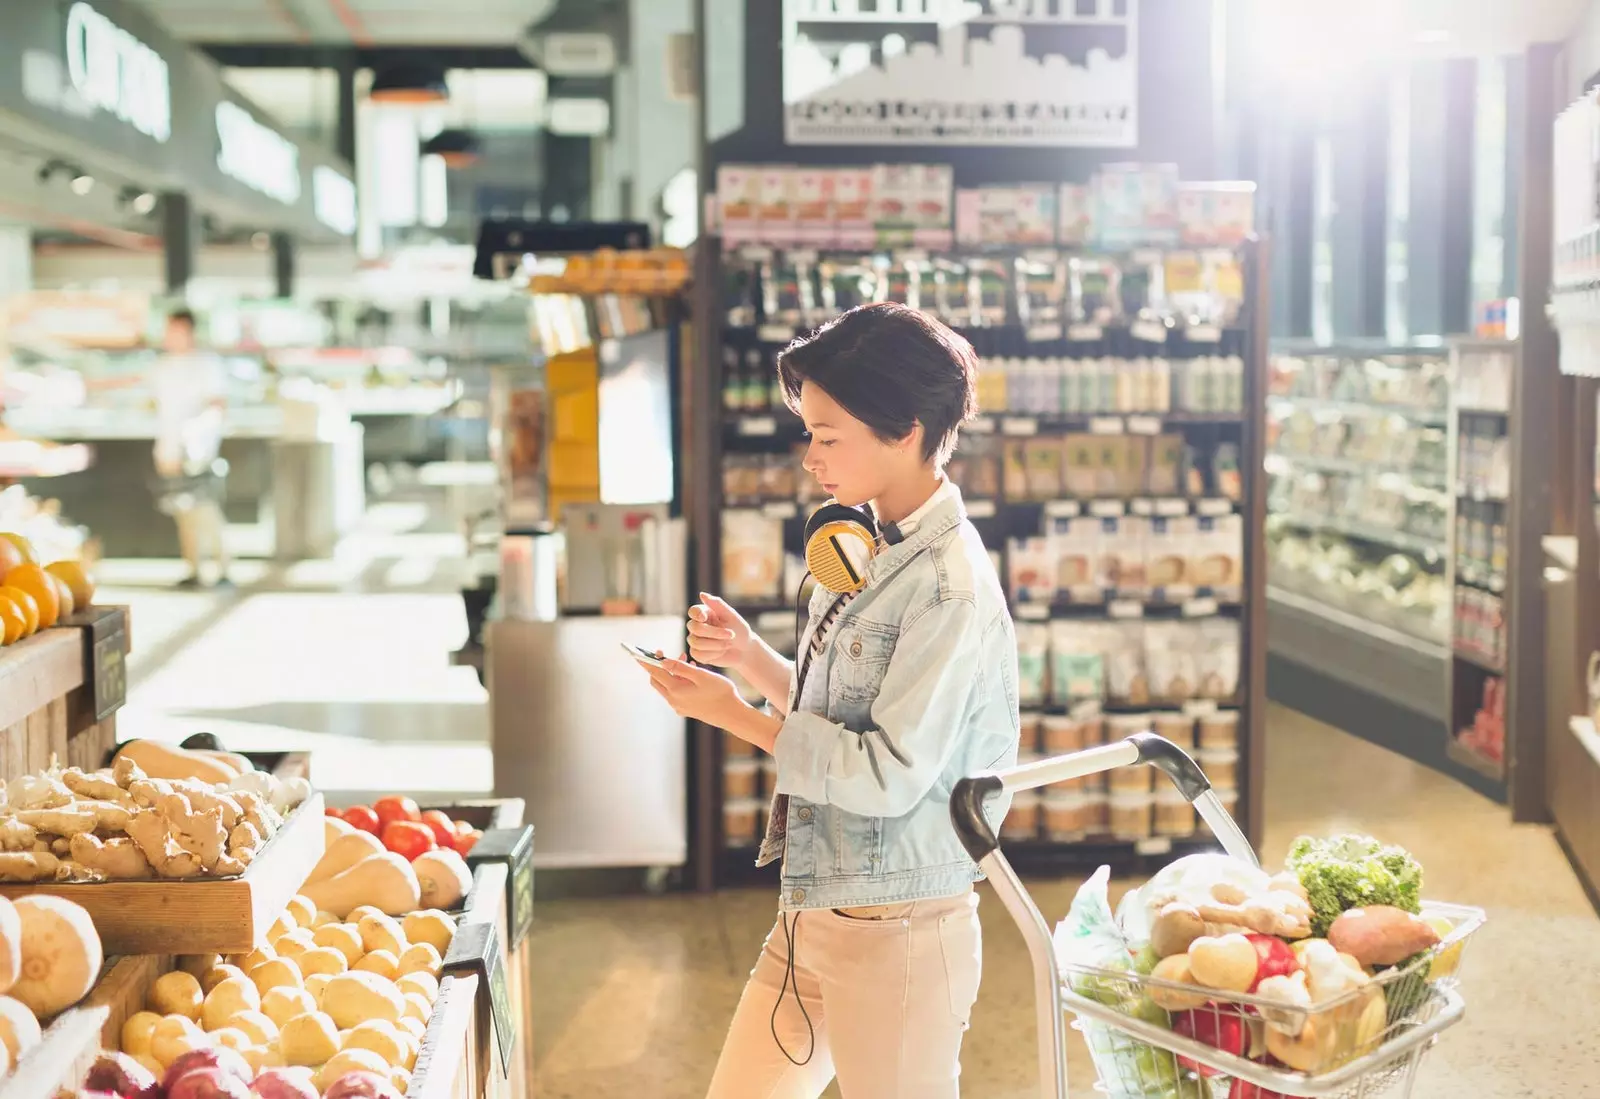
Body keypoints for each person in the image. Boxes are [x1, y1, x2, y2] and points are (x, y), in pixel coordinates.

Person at [639, 302, 1020, 1098]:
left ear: (906, 429)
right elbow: (841, 709)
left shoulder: (948, 586)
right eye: (809, 430)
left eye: (828, 434)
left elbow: (885, 773)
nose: (810, 455)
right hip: (817, 907)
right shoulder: (873, 538)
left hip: (902, 932)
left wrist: (734, 716)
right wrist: (749, 659)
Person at [151, 308, 231, 588]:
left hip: (199, 451)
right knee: (183, 513)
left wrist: (196, 435)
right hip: (169, 451)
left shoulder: (207, 365)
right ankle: (194, 568)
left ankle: (223, 569)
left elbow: (217, 407)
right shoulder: (163, 366)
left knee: (206, 510)